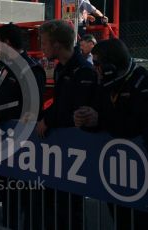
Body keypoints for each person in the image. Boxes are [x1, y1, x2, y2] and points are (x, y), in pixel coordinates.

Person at [74, 38, 148, 230]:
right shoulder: (106, 83)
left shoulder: (142, 82)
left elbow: (135, 124)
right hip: (115, 176)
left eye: (98, 63)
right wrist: (86, 120)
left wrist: (100, 120)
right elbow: (99, 115)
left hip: (139, 177)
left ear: (110, 66)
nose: (95, 68)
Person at [36, 19, 98, 229]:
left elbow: (75, 111)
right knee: (55, 207)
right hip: (60, 151)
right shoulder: (62, 68)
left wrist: (49, 119)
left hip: (76, 154)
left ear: (57, 44)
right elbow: (60, 104)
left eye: (44, 42)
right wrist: (43, 117)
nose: (41, 47)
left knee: (71, 211)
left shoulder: (83, 70)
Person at [0, 23, 46, 229]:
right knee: (8, 199)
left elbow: (30, 105)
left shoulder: (30, 67)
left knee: (26, 203)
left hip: (24, 150)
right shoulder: (7, 68)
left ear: (7, 43)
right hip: (5, 147)